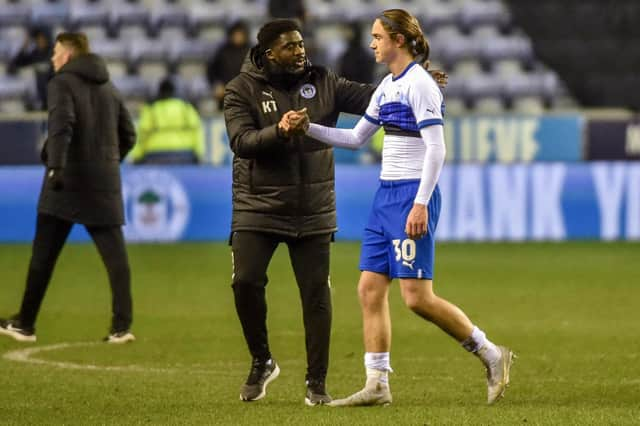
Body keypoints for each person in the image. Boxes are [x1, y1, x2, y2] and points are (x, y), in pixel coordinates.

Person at [284, 9, 514, 406]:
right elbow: (357, 138)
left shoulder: (419, 85)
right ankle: (377, 384)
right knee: (369, 289)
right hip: (385, 195)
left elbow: (437, 148)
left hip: (411, 195)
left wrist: (420, 203)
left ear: (398, 41)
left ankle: (490, 352)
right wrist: (309, 129)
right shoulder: (388, 85)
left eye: (377, 36)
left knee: (416, 297)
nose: (372, 43)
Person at [223, 18, 449, 406]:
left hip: (312, 207)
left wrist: (415, 79)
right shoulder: (241, 89)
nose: (300, 52)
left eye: (301, 44)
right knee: (245, 281)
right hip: (257, 205)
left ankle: (316, 383)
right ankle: (262, 361)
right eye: (290, 47)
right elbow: (241, 142)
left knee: (316, 296)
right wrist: (280, 130)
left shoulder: (324, 80)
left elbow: (373, 97)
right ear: (266, 53)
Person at [0, 32, 137, 344]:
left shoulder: (60, 83)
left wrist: (56, 167)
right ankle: (121, 327)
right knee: (116, 258)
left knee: (43, 257)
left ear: (69, 55)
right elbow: (129, 135)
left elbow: (62, 125)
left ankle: (25, 323)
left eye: (56, 52)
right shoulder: (109, 87)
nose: (52, 58)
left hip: (66, 183)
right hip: (103, 183)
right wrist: (108, 162)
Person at [129, 78, 204, 164]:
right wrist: (199, 154)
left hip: (155, 154)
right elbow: (196, 130)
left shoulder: (151, 108)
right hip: (184, 153)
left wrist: (137, 156)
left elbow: (143, 134)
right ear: (174, 91)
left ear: (159, 92)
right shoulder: (185, 107)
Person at [206, 20, 251, 111]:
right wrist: (216, 85)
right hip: (225, 96)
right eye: (235, 34)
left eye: (240, 34)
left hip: (247, 96)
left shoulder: (252, 52)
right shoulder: (222, 51)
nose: (237, 37)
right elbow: (211, 71)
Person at [8, 25, 54, 110]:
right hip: (40, 98)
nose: (39, 41)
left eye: (41, 38)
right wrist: (25, 46)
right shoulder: (35, 53)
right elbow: (13, 66)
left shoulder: (54, 53)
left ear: (47, 38)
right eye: (37, 38)